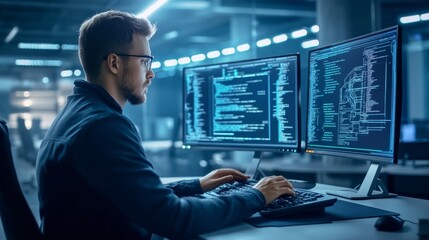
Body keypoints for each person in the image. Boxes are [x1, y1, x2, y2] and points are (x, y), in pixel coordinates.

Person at [36, 10, 295, 240]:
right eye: (144, 61)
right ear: (114, 63)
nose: (151, 73)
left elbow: (127, 194)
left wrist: (194, 186)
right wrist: (257, 196)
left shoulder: (75, 113)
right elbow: (174, 219)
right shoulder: (104, 125)